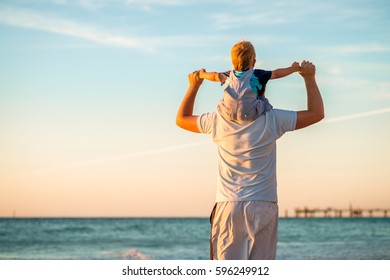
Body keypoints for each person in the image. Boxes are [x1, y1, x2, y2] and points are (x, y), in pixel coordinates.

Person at [176, 56, 324, 260]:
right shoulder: (273, 119)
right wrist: (309, 77)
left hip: (229, 204)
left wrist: (194, 85)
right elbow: (316, 113)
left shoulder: (217, 121)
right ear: (261, 90)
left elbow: (181, 119)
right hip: (264, 204)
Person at [199, 41, 300, 123]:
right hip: (250, 113)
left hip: (227, 113)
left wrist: (202, 74)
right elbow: (277, 74)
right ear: (254, 62)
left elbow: (214, 76)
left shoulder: (229, 75)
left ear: (232, 62)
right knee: (263, 101)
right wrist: (293, 68)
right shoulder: (256, 74)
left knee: (227, 95)